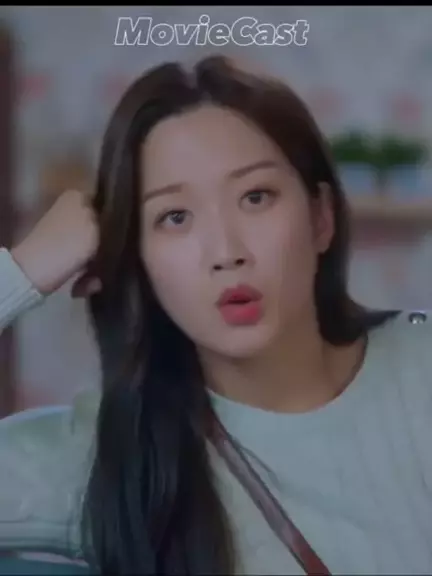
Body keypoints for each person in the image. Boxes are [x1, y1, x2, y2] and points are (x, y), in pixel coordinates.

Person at [0, 54, 431, 576]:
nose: (226, 252)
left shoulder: (418, 369)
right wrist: (25, 269)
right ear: (137, 257)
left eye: (256, 196)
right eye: (174, 217)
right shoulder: (112, 457)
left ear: (321, 217)